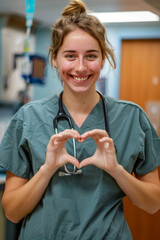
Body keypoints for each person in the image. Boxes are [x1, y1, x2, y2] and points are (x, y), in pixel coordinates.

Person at [0, 0, 160, 239]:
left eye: (91, 56)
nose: (81, 67)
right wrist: (47, 169)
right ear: (55, 58)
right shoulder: (28, 118)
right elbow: (12, 212)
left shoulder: (131, 117)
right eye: (70, 56)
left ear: (103, 59)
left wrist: (116, 170)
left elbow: (152, 204)